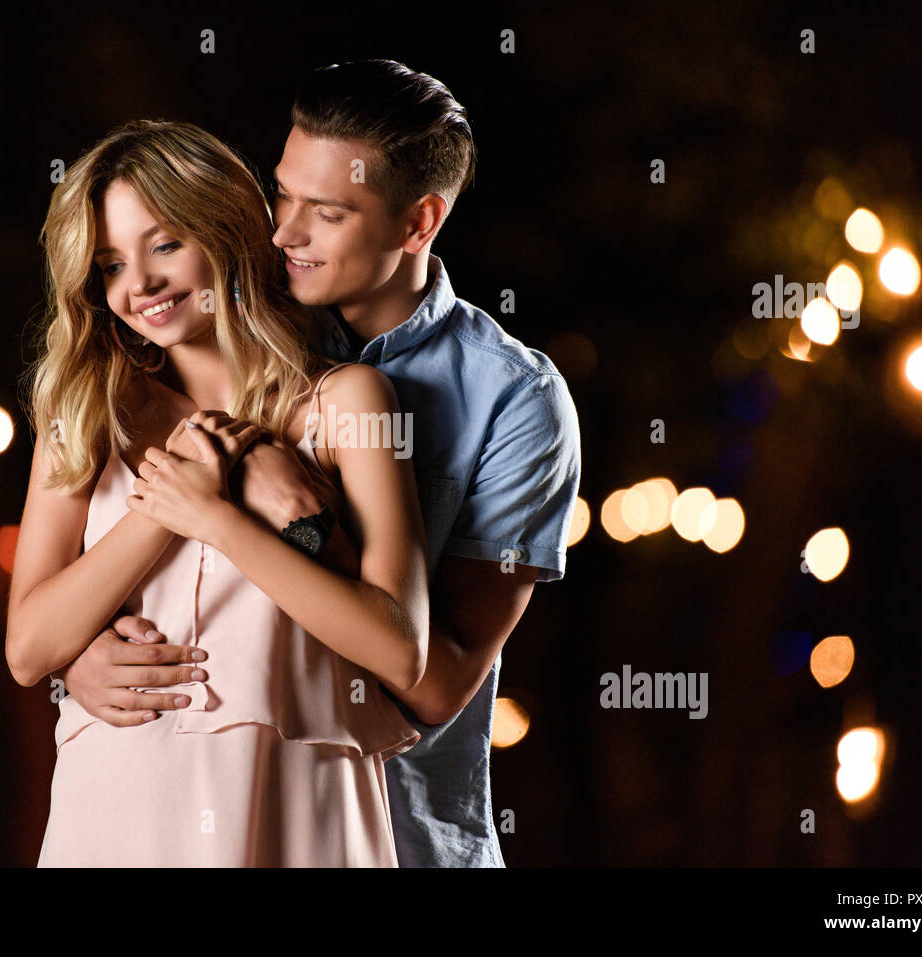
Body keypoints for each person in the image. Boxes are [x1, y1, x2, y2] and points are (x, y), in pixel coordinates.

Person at [59, 61, 583, 867]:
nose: (283, 234)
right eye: (283, 196)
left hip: (403, 831)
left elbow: (438, 684)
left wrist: (310, 528)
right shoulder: (231, 325)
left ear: (419, 223)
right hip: (204, 815)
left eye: (326, 212)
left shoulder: (513, 399)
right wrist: (81, 654)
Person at [6, 118, 431, 866]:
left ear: (227, 231)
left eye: (165, 244)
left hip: (298, 800)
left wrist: (226, 520)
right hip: (119, 807)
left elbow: (400, 652)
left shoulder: (349, 404)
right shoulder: (84, 413)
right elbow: (29, 646)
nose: (139, 285)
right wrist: (170, 508)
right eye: (109, 265)